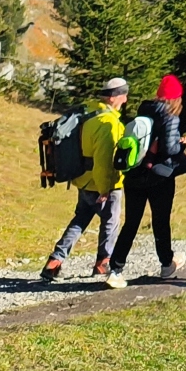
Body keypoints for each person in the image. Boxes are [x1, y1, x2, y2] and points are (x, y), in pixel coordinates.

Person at [40, 77, 128, 284]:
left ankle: (54, 261)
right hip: (102, 183)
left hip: (83, 179)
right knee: (110, 222)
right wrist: (105, 188)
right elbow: (104, 161)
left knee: (80, 220)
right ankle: (103, 263)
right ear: (115, 98)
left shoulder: (88, 112)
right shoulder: (109, 123)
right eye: (124, 96)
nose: (125, 101)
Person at [108, 73, 186, 283]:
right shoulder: (170, 116)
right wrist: (183, 144)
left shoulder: (143, 110)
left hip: (134, 174)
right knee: (160, 221)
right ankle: (166, 264)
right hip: (159, 176)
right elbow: (169, 148)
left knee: (131, 222)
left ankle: (115, 269)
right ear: (176, 98)